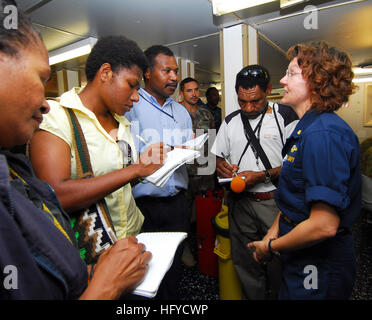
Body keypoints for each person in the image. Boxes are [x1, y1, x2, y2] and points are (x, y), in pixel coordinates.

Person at [0, 0, 151, 299]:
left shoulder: (8, 168)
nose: (45, 103)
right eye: (41, 78)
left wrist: (81, 274)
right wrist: (105, 287)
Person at [248, 42, 361, 300]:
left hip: (318, 264)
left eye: (290, 73)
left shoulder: (323, 134)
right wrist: (273, 231)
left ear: (316, 80)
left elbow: (323, 225)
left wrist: (270, 247)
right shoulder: (306, 128)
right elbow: (296, 194)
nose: (281, 80)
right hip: (300, 256)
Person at [29, 36, 167, 241]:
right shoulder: (58, 117)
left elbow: (121, 181)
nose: (136, 97)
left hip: (132, 236)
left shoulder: (122, 123)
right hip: (92, 251)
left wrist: (144, 167)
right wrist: (135, 169)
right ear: (105, 73)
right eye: (131, 85)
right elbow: (54, 195)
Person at [211, 65, 299, 300]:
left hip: (274, 203)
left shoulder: (286, 116)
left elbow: (297, 166)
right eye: (242, 102)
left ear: (269, 90)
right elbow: (218, 157)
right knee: (246, 263)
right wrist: (222, 165)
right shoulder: (229, 122)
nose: (248, 108)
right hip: (240, 205)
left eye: (256, 101)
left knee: (279, 262)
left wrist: (261, 176)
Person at [125, 45, 193, 299]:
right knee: (145, 270)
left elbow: (189, 152)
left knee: (173, 267)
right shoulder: (130, 105)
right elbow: (123, 156)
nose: (174, 77)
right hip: (143, 206)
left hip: (176, 203)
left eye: (175, 71)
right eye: (167, 71)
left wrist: (191, 152)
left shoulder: (182, 112)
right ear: (148, 73)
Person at [179, 77, 216, 266]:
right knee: (183, 213)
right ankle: (185, 248)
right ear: (181, 94)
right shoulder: (175, 114)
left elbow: (211, 145)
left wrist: (213, 171)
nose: (194, 94)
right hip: (182, 172)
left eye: (196, 90)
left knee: (202, 212)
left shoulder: (206, 115)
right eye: (189, 91)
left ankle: (205, 248)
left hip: (203, 172)